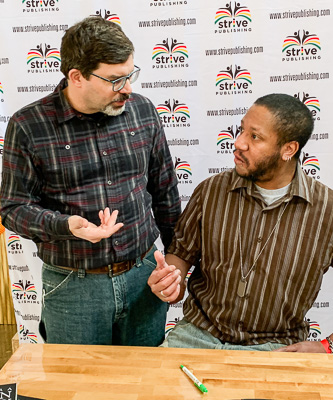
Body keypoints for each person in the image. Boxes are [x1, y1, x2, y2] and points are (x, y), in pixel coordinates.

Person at [0, 17, 181, 346]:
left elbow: (165, 191)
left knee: (144, 386)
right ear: (76, 76)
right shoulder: (29, 125)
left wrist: (176, 262)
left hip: (144, 275)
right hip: (72, 285)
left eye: (129, 75)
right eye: (114, 80)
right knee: (76, 387)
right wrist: (66, 225)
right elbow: (12, 207)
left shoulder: (143, 111)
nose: (127, 88)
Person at [148, 93, 333, 353]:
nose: (238, 143)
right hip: (196, 335)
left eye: (254, 136)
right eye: (241, 130)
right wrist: (170, 283)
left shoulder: (327, 209)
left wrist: (328, 347)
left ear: (288, 149)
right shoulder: (211, 190)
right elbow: (180, 254)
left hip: (274, 348)